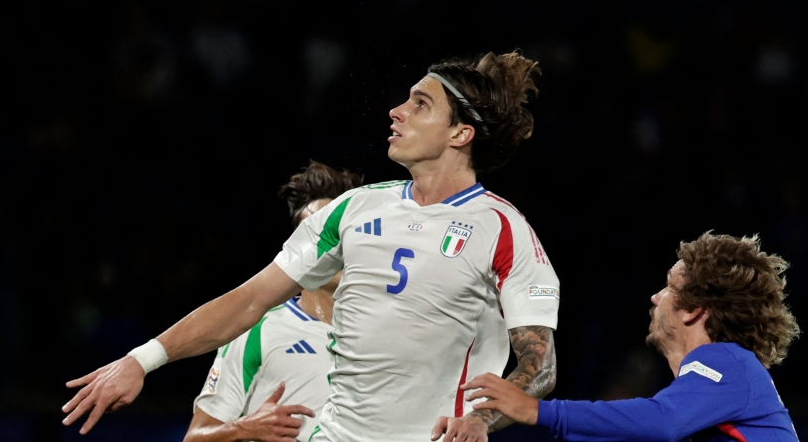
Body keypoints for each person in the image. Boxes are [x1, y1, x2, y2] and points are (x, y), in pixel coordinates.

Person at [62, 50, 561, 442]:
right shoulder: (355, 209)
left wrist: (481, 419)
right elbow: (251, 298)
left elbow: (540, 368)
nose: (396, 111)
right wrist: (142, 359)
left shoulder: (503, 229)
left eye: (419, 104)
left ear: (460, 133)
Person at [461, 232, 801, 442]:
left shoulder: (727, 360)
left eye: (669, 286)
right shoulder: (722, 382)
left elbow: (662, 422)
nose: (656, 297)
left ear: (693, 309)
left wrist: (536, 410)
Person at [184, 161, 363, 442]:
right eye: (319, 234)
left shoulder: (388, 333)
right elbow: (194, 437)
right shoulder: (258, 330)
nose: (333, 247)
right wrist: (243, 429)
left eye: (342, 234)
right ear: (298, 248)